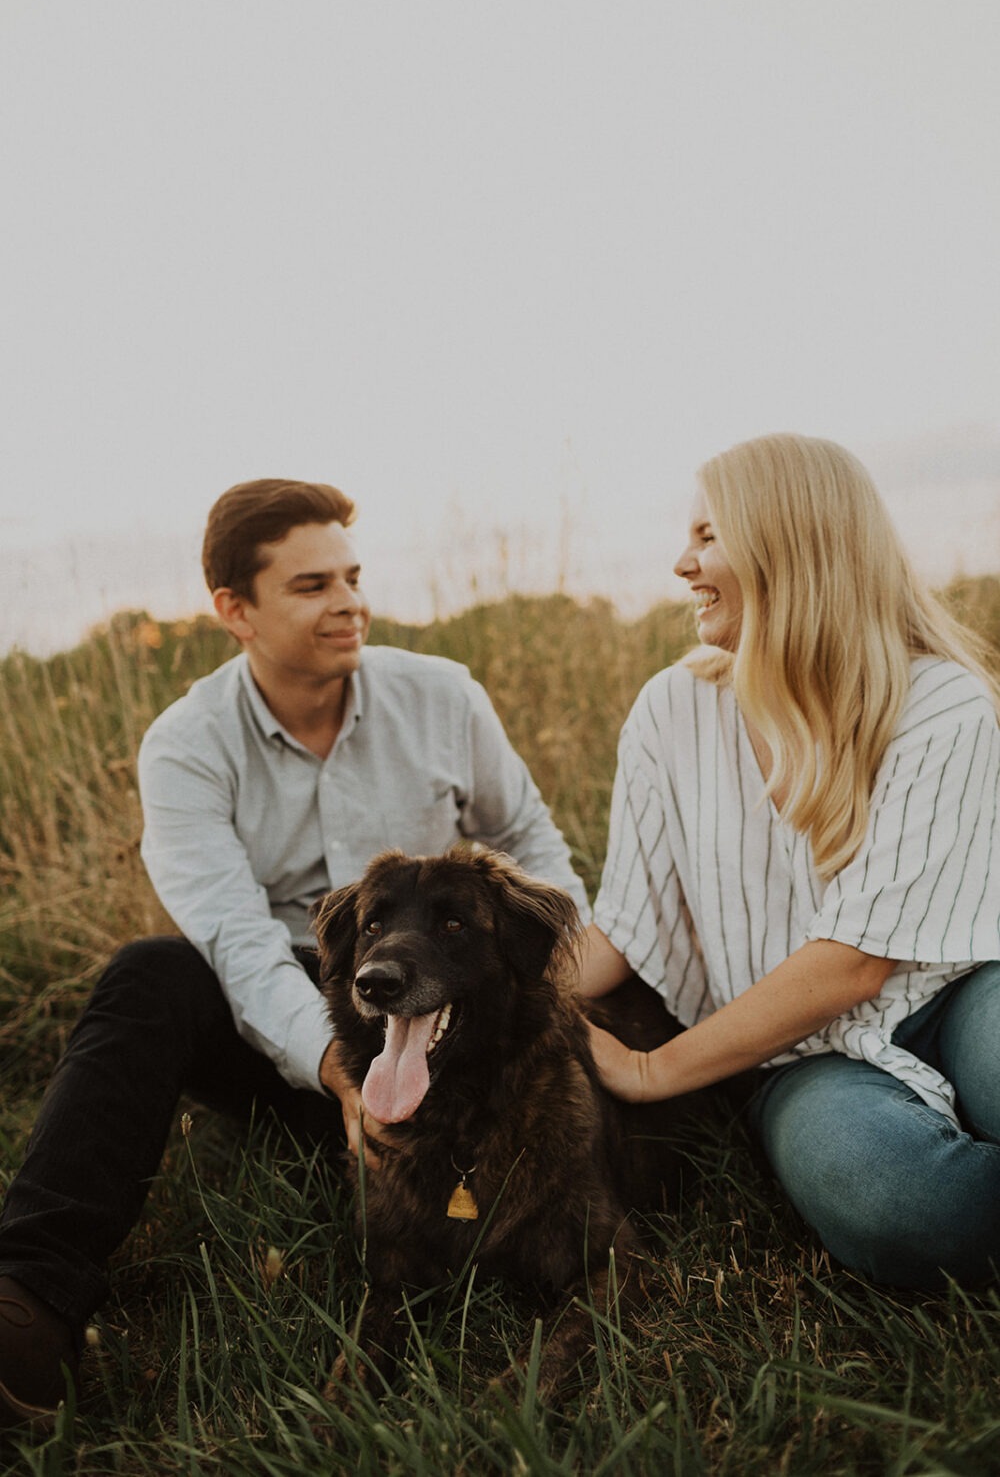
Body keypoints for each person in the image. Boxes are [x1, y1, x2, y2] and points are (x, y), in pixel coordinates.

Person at [0, 478, 589, 1428]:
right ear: (234, 610)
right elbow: (234, 941)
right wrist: (342, 1077)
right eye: (312, 585)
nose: (350, 602)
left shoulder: (441, 695)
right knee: (152, 972)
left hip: (457, 1035)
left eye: (353, 577)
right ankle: (29, 1295)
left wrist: (567, 976)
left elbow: (532, 840)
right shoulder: (186, 745)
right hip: (308, 1047)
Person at [580, 433, 1000, 1290]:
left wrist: (654, 1070)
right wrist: (468, 994)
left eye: (707, 536)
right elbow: (623, 926)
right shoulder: (673, 711)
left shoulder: (942, 702)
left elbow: (857, 960)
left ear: (790, 541)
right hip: (795, 1058)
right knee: (896, 1207)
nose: (680, 564)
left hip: (958, 992)